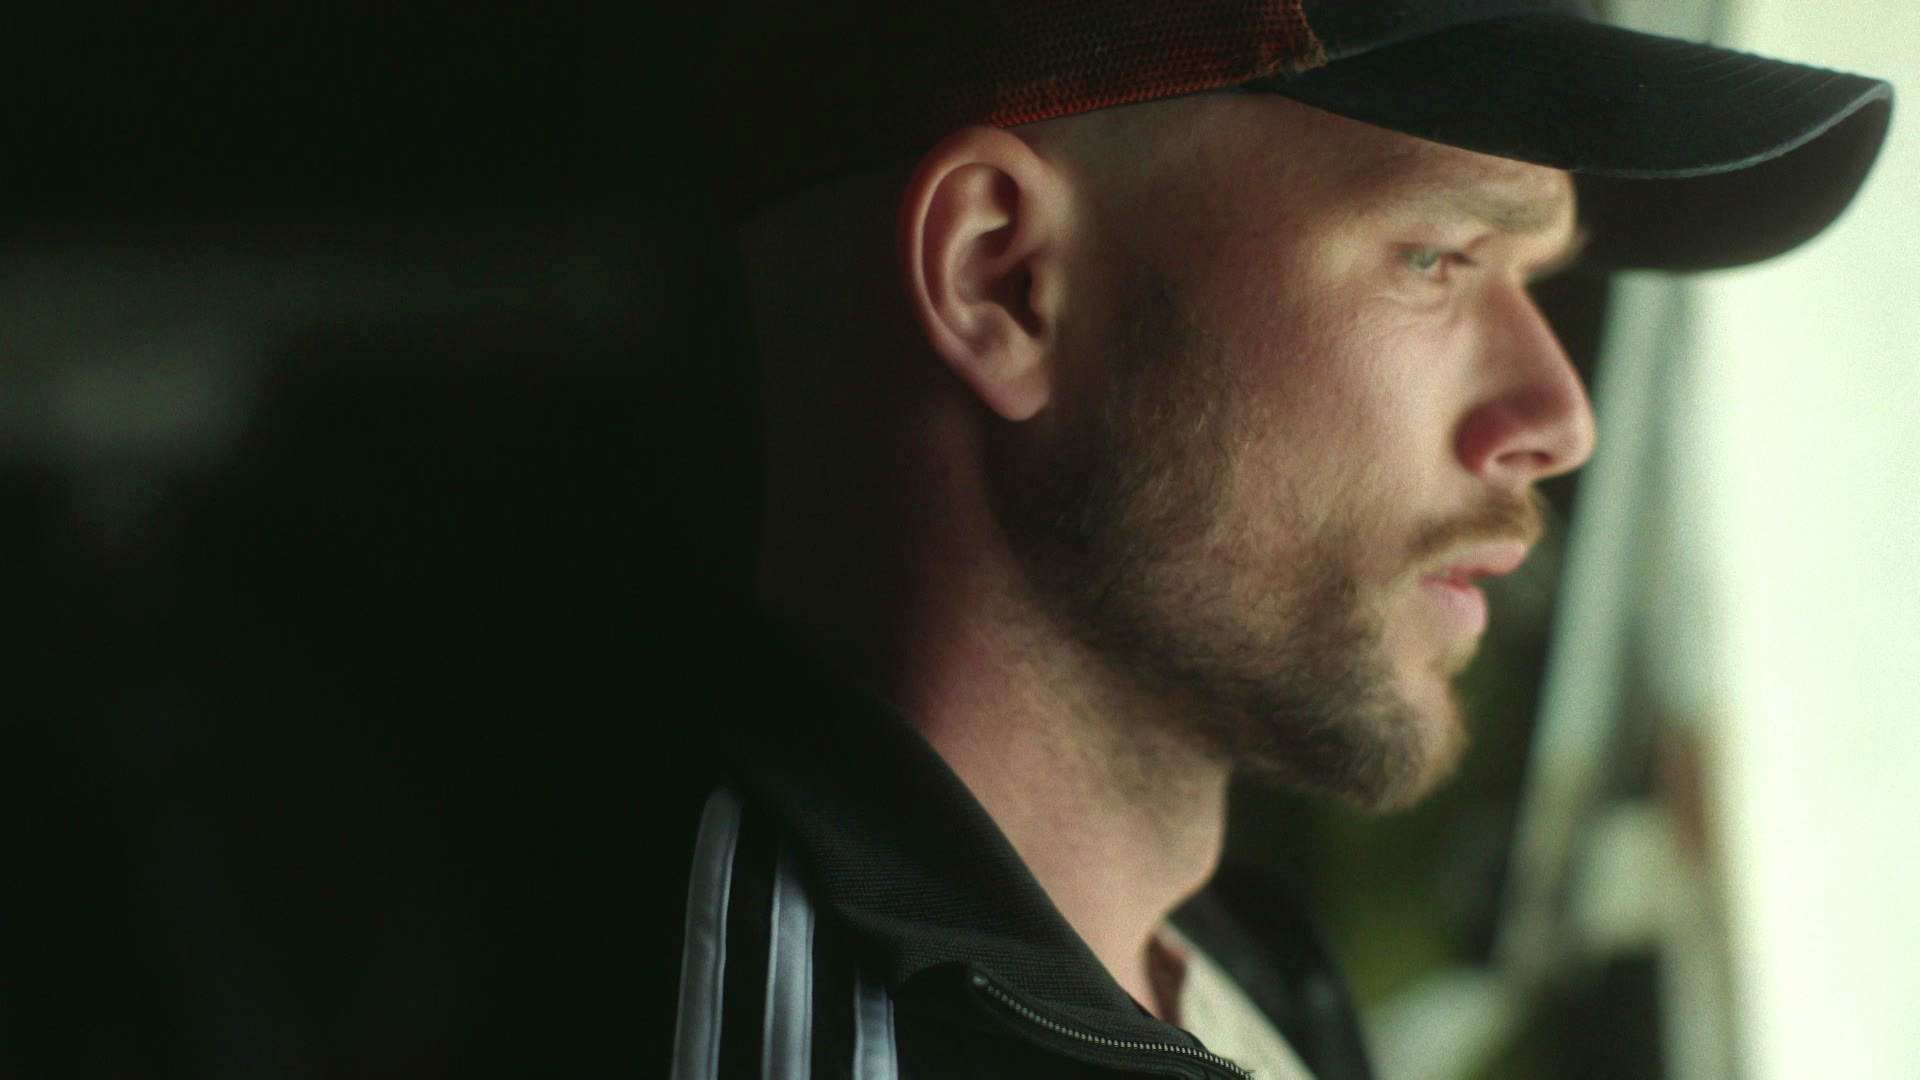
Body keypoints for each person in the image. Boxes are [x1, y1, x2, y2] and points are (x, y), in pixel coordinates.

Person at [660, 3, 1893, 1077]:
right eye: (1439, 257)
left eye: (1532, 278)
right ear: (1005, 280)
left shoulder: (1213, 970)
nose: (1562, 420)